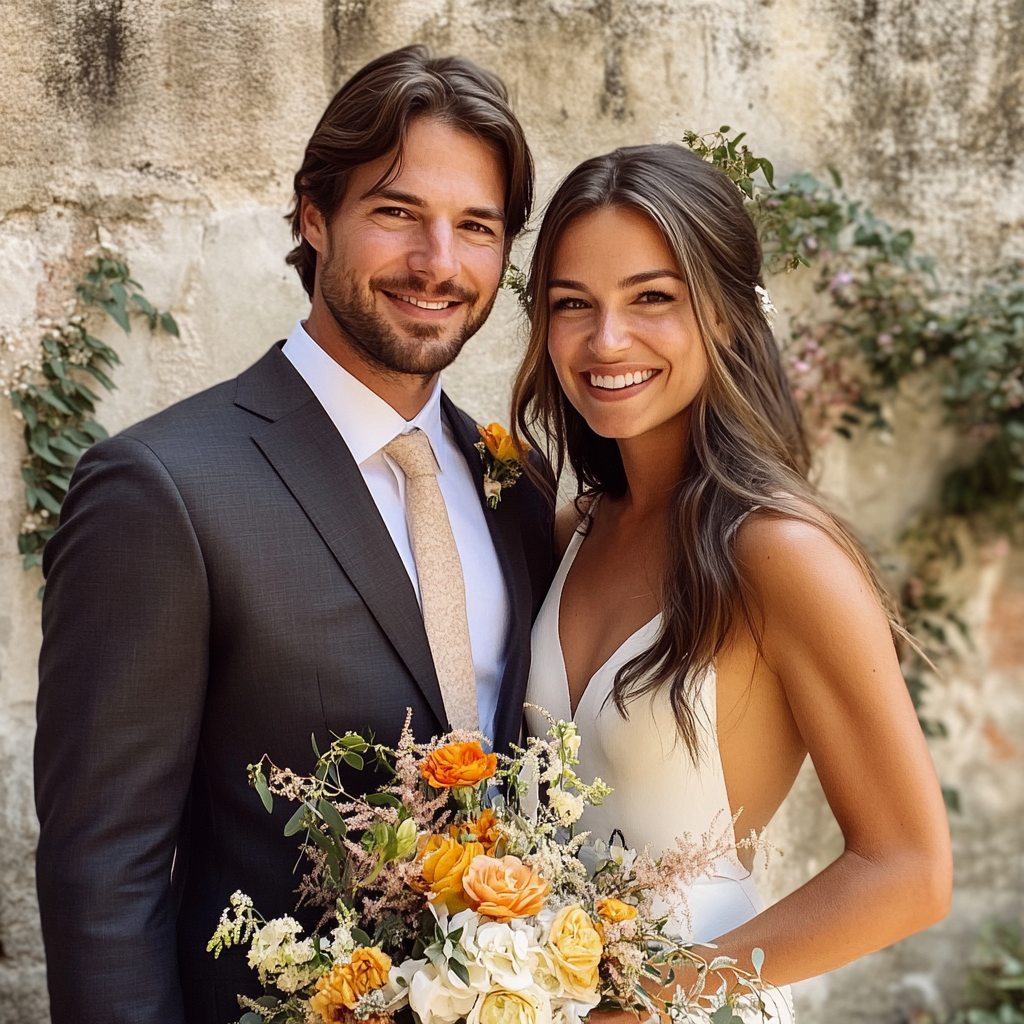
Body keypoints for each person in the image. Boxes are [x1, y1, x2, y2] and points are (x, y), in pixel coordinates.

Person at [35, 46, 554, 1024]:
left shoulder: (513, 488)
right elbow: (103, 874)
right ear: (314, 217)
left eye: (475, 227)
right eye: (397, 212)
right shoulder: (163, 490)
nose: (438, 264)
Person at [517, 144, 953, 1022]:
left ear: (722, 314)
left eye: (652, 299)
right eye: (574, 306)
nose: (607, 341)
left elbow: (910, 869)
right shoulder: (576, 530)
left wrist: (647, 998)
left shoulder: (780, 554)